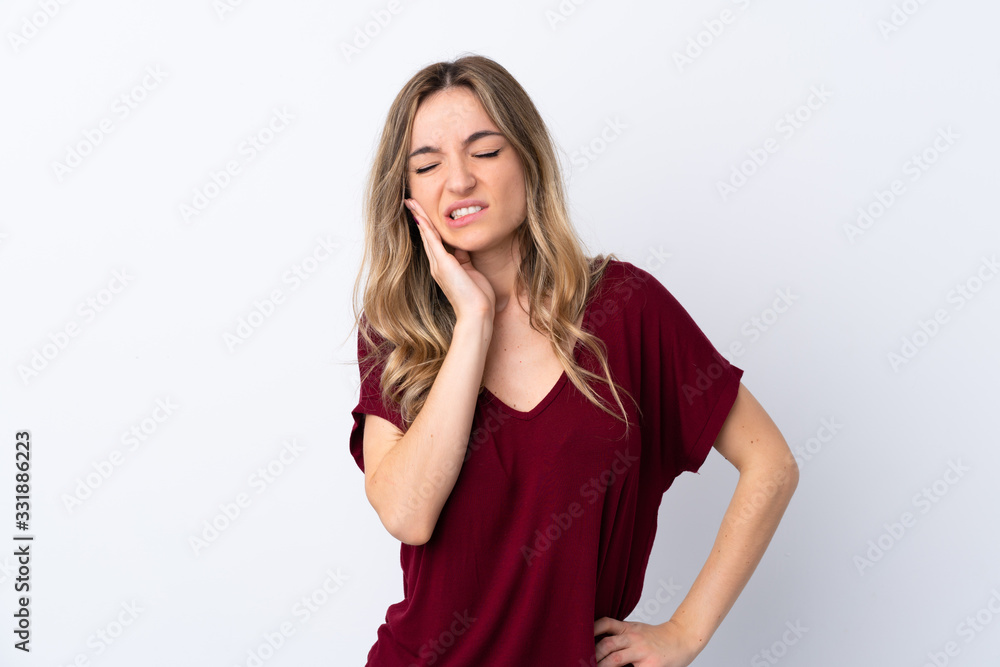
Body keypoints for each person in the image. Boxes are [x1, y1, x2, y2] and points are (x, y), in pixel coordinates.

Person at [348, 53, 798, 667]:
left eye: (485, 151)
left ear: (528, 160)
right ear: (407, 193)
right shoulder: (397, 328)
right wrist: (474, 321)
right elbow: (408, 514)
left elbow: (771, 464)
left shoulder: (627, 307)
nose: (459, 180)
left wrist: (686, 632)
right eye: (427, 165)